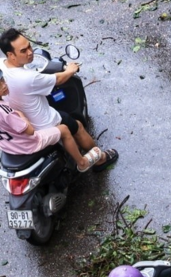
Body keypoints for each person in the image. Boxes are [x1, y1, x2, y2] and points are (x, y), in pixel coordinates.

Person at [0, 28, 117, 171]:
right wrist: (70, 70)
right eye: (23, 51)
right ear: (11, 54)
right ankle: (99, 160)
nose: (30, 52)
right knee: (77, 126)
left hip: (18, 125)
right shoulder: (28, 78)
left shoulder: (2, 65)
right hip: (43, 123)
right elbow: (58, 79)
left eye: (29, 46)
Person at [0, 74, 100, 171]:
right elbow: (30, 131)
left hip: (8, 146)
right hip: (28, 145)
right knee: (64, 129)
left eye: (3, 80)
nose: (4, 85)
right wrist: (20, 114)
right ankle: (82, 162)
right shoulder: (6, 112)